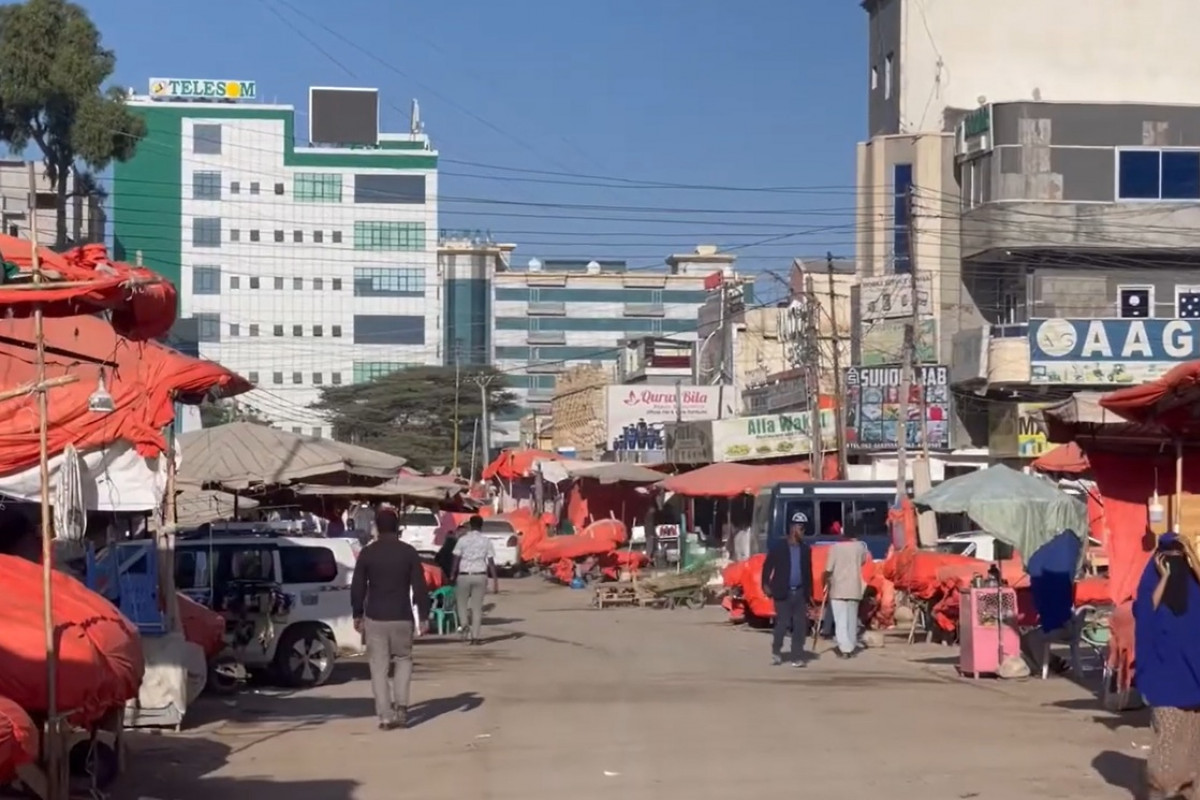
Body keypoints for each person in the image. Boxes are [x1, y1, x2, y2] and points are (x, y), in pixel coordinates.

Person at [351, 508, 430, 730]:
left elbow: (358, 586)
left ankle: (385, 716)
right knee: (404, 659)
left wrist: (357, 613)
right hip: (402, 616)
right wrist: (424, 615)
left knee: (379, 668)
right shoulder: (408, 552)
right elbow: (420, 586)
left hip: (375, 617)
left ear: (376, 527)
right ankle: (401, 707)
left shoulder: (368, 553)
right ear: (398, 528)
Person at [1134, 534, 1200, 799]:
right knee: (1169, 739)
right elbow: (1145, 612)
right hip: (1164, 682)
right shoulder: (1151, 587)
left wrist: (1193, 562)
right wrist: (1164, 578)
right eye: (1167, 560)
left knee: (1193, 741)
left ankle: (1188, 789)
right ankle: (1162, 789)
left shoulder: (1194, 589)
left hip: (1194, 680)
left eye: (1178, 559)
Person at [761, 512, 813, 667]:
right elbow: (767, 567)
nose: (802, 532)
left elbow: (808, 572)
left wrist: (809, 594)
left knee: (800, 625)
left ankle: (797, 655)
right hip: (782, 592)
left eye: (804, 529)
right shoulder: (779, 548)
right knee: (782, 624)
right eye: (800, 528)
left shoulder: (805, 550)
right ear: (792, 528)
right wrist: (765, 584)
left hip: (800, 593)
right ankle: (776, 651)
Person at [452, 515, 499, 645]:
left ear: (470, 525)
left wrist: (452, 574)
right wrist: (495, 580)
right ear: (481, 526)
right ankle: (475, 637)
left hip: (464, 575)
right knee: (477, 608)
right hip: (480, 575)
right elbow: (490, 562)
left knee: (461, 604)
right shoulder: (486, 541)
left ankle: (464, 625)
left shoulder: (462, 540)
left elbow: (456, 558)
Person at [822, 536, 871, 658]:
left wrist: (825, 581)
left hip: (838, 588)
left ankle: (845, 648)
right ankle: (851, 645)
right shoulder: (860, 547)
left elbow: (828, 569)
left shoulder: (835, 548)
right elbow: (863, 562)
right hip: (854, 587)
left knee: (841, 620)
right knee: (852, 620)